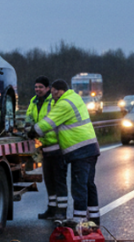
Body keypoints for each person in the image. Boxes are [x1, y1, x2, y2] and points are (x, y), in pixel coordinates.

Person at [47, 79, 100, 227]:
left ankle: (79, 221)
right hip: (91, 148)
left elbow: (48, 123)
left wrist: (33, 131)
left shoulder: (64, 103)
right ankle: (94, 220)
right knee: (89, 184)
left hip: (80, 151)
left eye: (53, 92)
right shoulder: (75, 98)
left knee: (79, 185)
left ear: (59, 91)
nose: (52, 96)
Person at [25, 76, 69, 220]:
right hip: (44, 147)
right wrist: (27, 127)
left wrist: (36, 130)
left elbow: (52, 121)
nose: (37, 89)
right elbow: (29, 117)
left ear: (48, 88)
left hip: (57, 147)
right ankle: (51, 209)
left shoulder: (54, 101)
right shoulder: (33, 101)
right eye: (36, 87)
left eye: (40, 87)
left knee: (59, 180)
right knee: (49, 181)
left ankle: (61, 211)